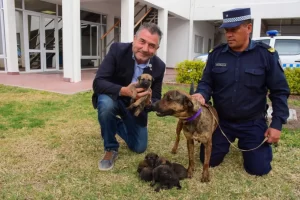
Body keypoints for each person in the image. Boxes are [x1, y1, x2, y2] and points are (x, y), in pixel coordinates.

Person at [192, 8, 290, 176]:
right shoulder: (216, 55)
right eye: (226, 30)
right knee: (208, 160)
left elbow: (279, 91)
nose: (229, 34)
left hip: (252, 122)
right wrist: (201, 93)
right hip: (221, 121)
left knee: (258, 169)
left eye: (234, 29)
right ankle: (225, 143)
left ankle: (251, 146)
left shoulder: (265, 55)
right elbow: (206, 83)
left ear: (249, 28)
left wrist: (277, 124)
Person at [92, 22, 166, 171]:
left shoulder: (159, 66)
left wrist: (150, 101)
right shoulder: (117, 50)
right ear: (134, 39)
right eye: (142, 41)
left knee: (139, 147)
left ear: (157, 49)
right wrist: (124, 90)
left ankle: (111, 123)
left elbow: (157, 97)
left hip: (136, 107)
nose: (145, 49)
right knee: (106, 106)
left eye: (152, 45)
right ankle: (110, 148)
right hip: (115, 97)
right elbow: (98, 82)